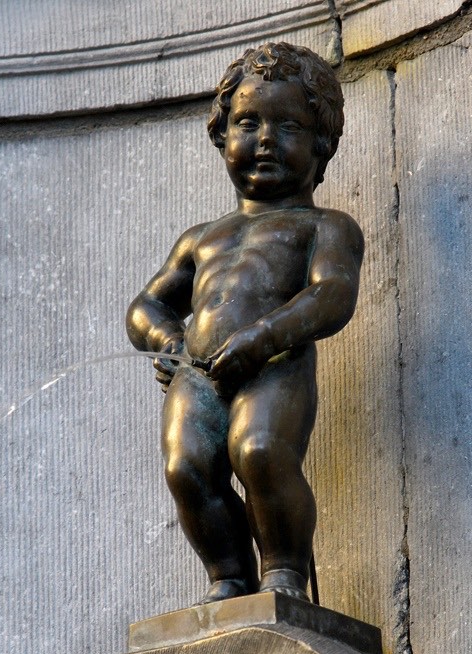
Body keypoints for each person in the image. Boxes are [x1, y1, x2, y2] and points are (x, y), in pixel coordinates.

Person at [126, 42, 364, 603]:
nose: (264, 139)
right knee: (187, 469)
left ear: (322, 143)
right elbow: (146, 306)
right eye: (247, 122)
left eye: (287, 126)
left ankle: (283, 571)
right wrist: (167, 341)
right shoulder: (202, 237)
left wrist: (264, 338)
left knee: (259, 451)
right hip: (198, 370)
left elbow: (333, 295)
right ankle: (228, 579)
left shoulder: (325, 226)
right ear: (221, 136)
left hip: (274, 364)